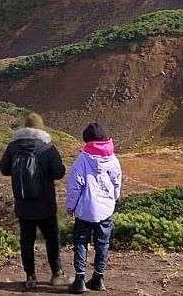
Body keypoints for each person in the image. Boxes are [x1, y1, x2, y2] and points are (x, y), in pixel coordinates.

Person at [0, 111, 69, 290]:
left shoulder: (13, 147)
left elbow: (4, 169)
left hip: (23, 205)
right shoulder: (47, 148)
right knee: (52, 237)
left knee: (26, 240)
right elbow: (58, 173)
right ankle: (57, 274)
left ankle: (30, 276)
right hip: (45, 204)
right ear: (40, 127)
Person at [65, 122, 122, 293]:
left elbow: (74, 187)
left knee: (81, 242)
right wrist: (114, 197)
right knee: (102, 244)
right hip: (105, 210)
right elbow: (116, 180)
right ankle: (98, 279)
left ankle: (80, 280)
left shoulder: (82, 160)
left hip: (85, 210)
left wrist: (70, 207)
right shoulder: (112, 159)